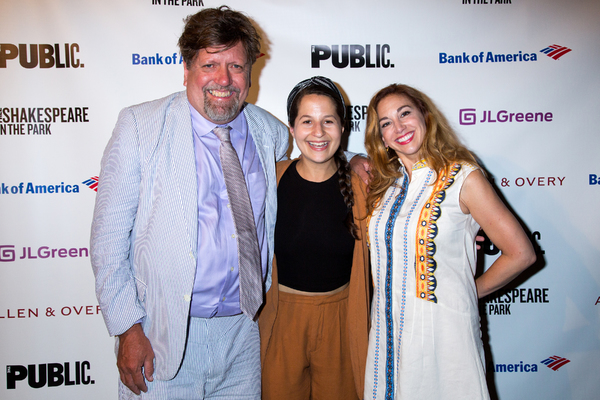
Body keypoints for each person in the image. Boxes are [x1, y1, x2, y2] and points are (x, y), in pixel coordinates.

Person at [90, 7, 368, 399]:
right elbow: (108, 239)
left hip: (245, 335)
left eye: (235, 66)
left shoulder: (267, 130)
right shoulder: (140, 127)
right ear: (186, 68)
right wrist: (127, 327)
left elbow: (317, 147)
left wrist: (355, 159)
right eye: (210, 64)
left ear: (250, 73)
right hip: (163, 332)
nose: (223, 80)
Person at [362, 84, 536, 399]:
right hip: (388, 334)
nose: (398, 127)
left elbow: (521, 253)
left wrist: (469, 292)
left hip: (445, 334)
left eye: (405, 114)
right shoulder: (385, 187)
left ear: (425, 116)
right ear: (381, 138)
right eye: (386, 123)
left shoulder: (463, 177)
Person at [259, 76, 370, 400]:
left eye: (328, 121)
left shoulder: (364, 185)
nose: (318, 132)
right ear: (292, 129)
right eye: (307, 121)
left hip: (342, 319)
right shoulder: (270, 178)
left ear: (343, 128)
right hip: (280, 317)